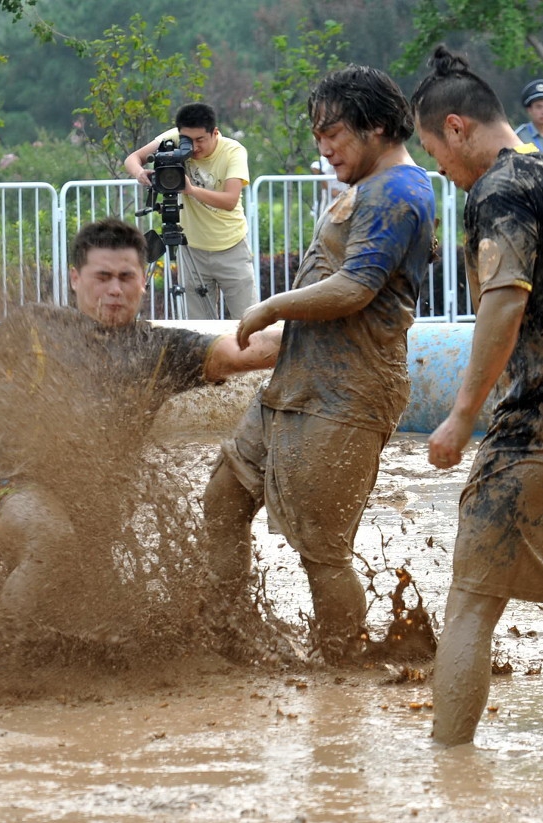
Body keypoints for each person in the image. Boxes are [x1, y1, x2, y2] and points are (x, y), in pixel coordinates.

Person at [0, 218, 282, 638]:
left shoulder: (163, 348)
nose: (114, 290)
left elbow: (245, 350)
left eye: (126, 278)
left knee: (108, 628)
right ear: (75, 279)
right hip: (10, 493)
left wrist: (310, 321)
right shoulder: (36, 328)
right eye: (103, 277)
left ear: (144, 281)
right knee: (52, 542)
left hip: (94, 524)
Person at [410, 45, 543, 746]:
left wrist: (460, 416)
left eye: (434, 152)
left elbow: (505, 300)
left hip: (537, 424)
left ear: (457, 127)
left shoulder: (497, 190)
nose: (442, 170)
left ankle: (447, 774)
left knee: (470, 603)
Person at [200, 65, 437, 664]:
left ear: (376, 125)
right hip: (300, 381)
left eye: (332, 133)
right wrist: (265, 345)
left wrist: (270, 307)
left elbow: (356, 288)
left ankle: (341, 673)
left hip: (349, 393)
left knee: (321, 550)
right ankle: (228, 635)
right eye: (318, 136)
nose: (325, 148)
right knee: (224, 499)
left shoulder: (399, 191)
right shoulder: (373, 186)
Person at [124, 103, 257, 320]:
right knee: (199, 328)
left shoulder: (233, 151)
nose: (193, 147)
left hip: (231, 248)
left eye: (200, 140)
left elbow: (230, 200)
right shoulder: (173, 139)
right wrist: (141, 173)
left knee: (247, 322)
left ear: (215, 132)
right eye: (187, 140)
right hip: (191, 249)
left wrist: (191, 190)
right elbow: (132, 159)